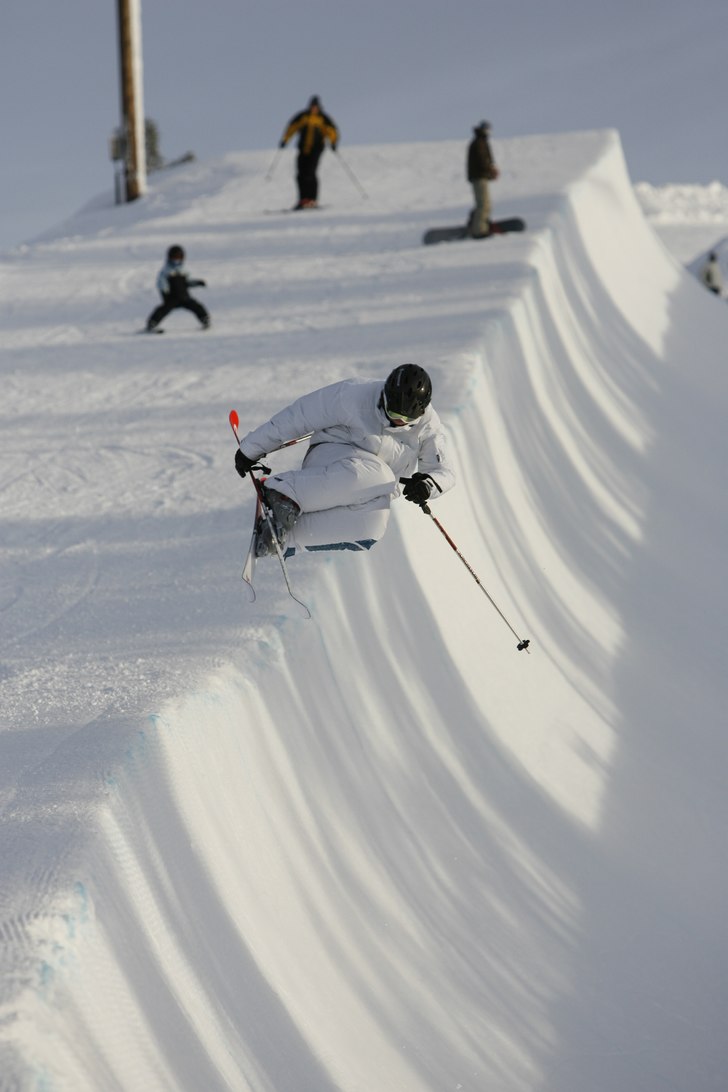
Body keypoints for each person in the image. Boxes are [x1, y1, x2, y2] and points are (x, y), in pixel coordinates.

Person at [234, 364, 455, 557]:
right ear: (385, 396)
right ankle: (283, 492)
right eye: (392, 412)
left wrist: (427, 485)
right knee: (380, 475)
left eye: (406, 419)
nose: (397, 422)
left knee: (372, 527)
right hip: (330, 458)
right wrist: (252, 448)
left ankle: (280, 539)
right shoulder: (354, 394)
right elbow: (299, 416)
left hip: (371, 488)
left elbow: (444, 471)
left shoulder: (428, 427)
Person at [279, 95, 339, 210]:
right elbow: (292, 127)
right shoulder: (303, 116)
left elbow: (332, 131)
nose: (313, 108)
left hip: (316, 149)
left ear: (319, 107)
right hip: (303, 149)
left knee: (310, 173)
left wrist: (333, 142)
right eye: (312, 106)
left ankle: (312, 199)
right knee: (300, 174)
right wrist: (285, 140)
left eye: (315, 106)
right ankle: (303, 200)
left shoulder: (323, 118)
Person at [146, 245, 210, 332]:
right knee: (162, 310)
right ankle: (152, 324)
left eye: (179, 257)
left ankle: (205, 320)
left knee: (197, 306)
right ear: (169, 258)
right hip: (172, 297)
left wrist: (197, 283)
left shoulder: (183, 270)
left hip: (184, 297)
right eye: (174, 257)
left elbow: (188, 282)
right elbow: (161, 281)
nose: (176, 260)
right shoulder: (166, 270)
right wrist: (164, 290)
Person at [467, 121, 499, 238]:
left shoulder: (480, 142)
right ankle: (479, 230)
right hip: (479, 177)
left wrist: (490, 171)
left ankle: (478, 224)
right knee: (483, 204)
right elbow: (482, 161)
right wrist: (491, 170)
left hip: (481, 177)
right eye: (487, 129)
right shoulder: (479, 143)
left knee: (484, 203)